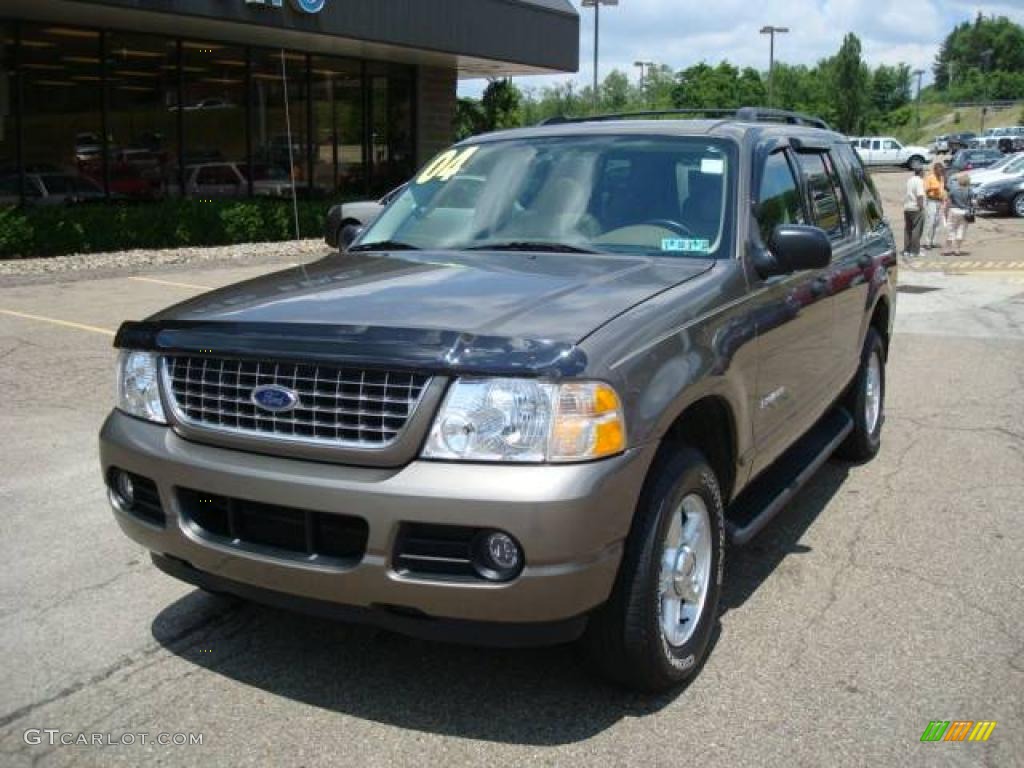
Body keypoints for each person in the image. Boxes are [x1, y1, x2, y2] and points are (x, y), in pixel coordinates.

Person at [944, 171, 972, 256]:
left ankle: (948, 249)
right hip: (964, 212)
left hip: (954, 210)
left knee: (951, 229)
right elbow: (973, 202)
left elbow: (948, 201)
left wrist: (945, 211)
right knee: (961, 230)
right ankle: (957, 249)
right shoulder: (969, 190)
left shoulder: (954, 189)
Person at [922, 161, 947, 249]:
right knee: (931, 221)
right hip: (932, 201)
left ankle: (934, 241)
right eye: (939, 171)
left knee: (937, 222)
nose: (940, 172)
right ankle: (928, 242)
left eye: (942, 171)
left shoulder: (941, 178)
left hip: (939, 201)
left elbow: (942, 189)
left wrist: (944, 198)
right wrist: (932, 189)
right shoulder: (930, 178)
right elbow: (925, 190)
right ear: (935, 170)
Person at [902, 166, 925, 258]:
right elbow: (920, 195)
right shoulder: (919, 181)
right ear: (921, 172)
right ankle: (915, 251)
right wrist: (921, 207)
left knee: (908, 229)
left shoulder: (910, 180)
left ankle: (907, 250)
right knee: (916, 230)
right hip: (915, 208)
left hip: (907, 207)